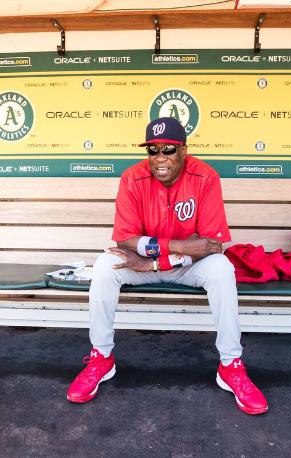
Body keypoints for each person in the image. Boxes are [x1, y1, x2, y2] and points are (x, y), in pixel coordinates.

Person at [67, 117, 268, 415]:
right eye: (153, 150)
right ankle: (101, 358)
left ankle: (230, 365)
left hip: (187, 266)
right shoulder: (132, 178)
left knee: (223, 269)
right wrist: (178, 246)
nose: (160, 157)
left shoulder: (206, 177)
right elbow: (126, 240)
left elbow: (211, 246)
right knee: (105, 266)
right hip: (146, 262)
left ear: (184, 151)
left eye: (169, 149)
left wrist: (161, 261)